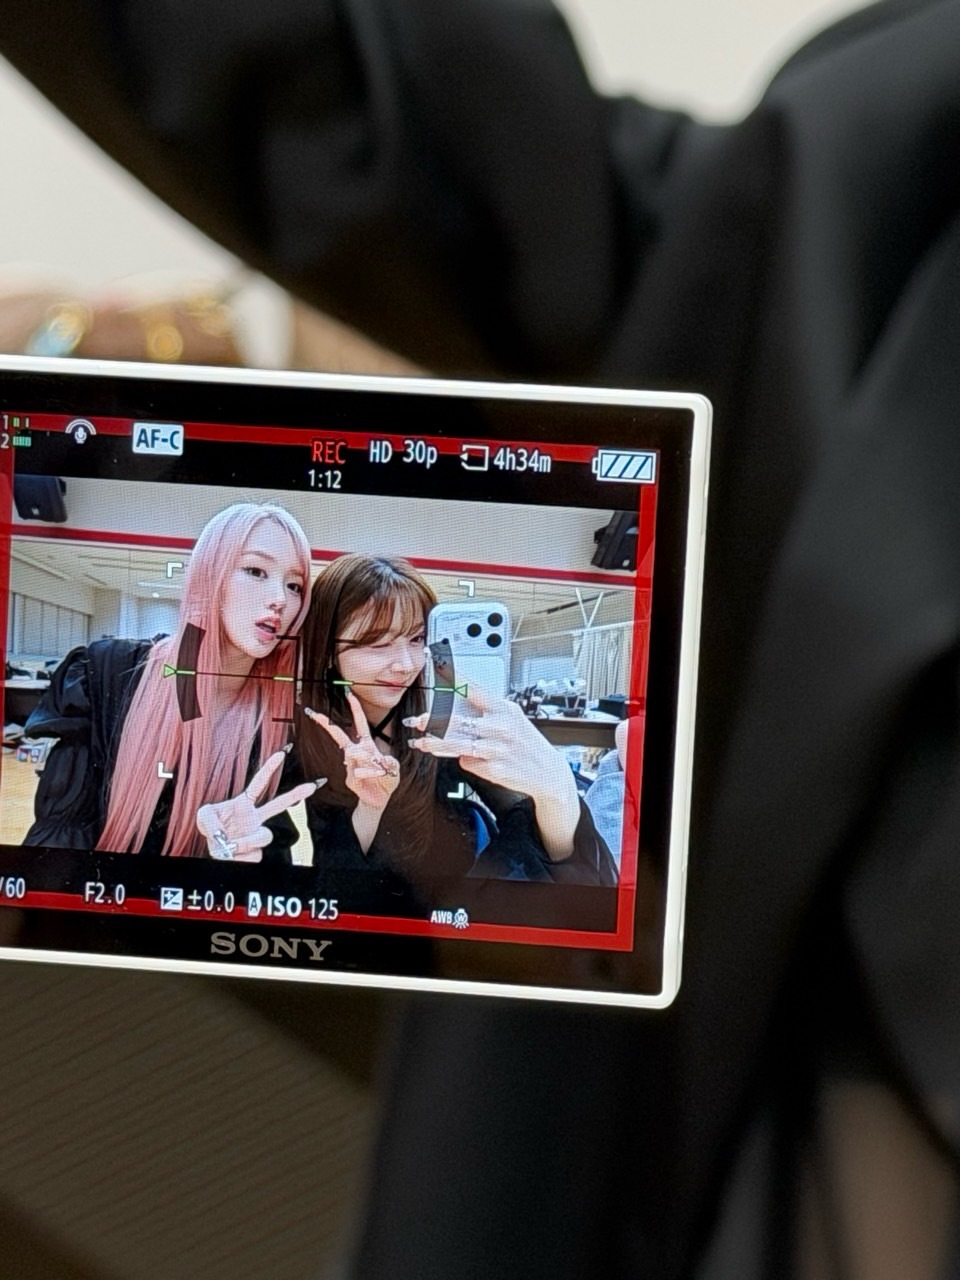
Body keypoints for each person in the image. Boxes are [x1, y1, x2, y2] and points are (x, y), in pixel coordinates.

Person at [4, 2, 960, 1276]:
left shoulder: (460, 750)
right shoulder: (161, 692)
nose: (390, 658)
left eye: (405, 635)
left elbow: (527, 894)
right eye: (355, 629)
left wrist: (522, 810)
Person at [287, 552, 615, 902]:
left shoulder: (441, 719)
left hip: (459, 916)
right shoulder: (305, 729)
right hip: (361, 918)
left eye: (417, 639)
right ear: (327, 649)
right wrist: (369, 810)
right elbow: (331, 883)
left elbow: (536, 840)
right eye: (377, 643)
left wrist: (557, 791)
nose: (405, 664)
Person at [25, 502, 322, 858]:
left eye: (294, 586)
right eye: (256, 571)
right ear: (210, 575)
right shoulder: (105, 673)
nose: (279, 600)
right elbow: (58, 844)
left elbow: (269, 850)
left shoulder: (279, 724)